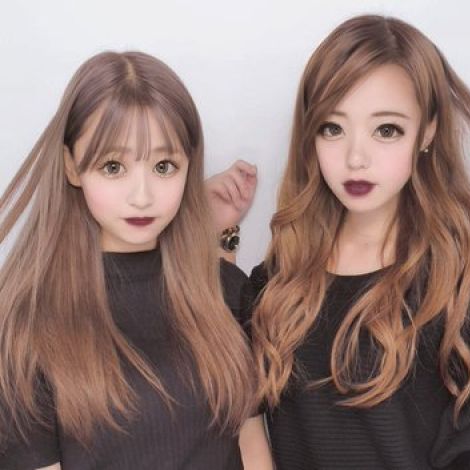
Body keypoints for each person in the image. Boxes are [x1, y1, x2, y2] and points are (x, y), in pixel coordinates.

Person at [210, 14, 470, 469]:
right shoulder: (280, 282)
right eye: (332, 128)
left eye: (386, 129)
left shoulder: (458, 291)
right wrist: (219, 234)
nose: (356, 158)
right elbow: (231, 398)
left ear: (428, 131)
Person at [0, 51, 272, 469]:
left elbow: (251, 441)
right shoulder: (27, 322)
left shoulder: (227, 290)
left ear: (189, 165)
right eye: (113, 167)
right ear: (72, 166)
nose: (142, 196)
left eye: (164, 166)